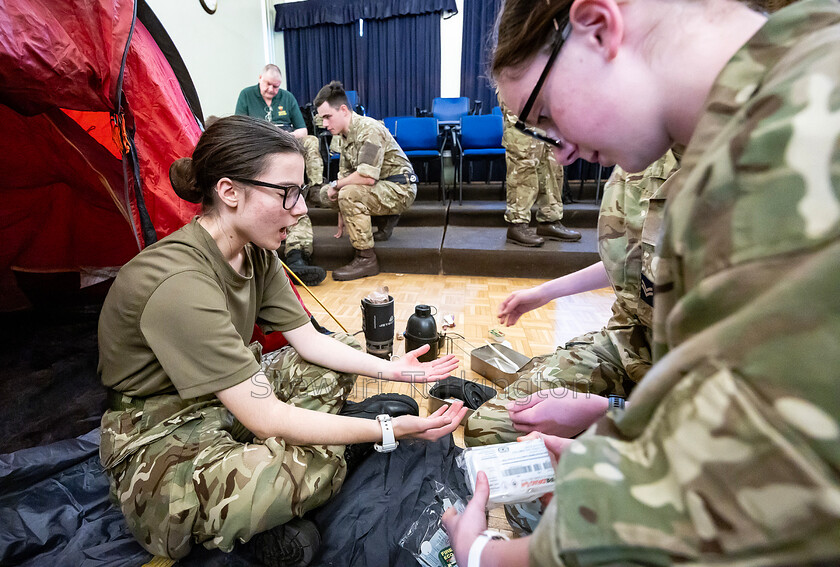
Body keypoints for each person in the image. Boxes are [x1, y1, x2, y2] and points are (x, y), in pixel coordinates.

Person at [443, 0, 840, 565]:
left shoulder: (791, 141)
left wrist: (486, 556)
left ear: (599, 27)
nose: (562, 150)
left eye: (548, 115)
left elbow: (748, 495)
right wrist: (614, 413)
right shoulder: (755, 120)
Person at [98, 115, 467, 565]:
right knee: (289, 473)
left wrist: (393, 368)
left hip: (225, 399)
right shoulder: (178, 284)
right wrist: (386, 430)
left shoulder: (256, 251)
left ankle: (315, 453)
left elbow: (309, 342)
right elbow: (268, 416)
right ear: (230, 191)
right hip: (162, 429)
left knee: (347, 351)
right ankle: (319, 458)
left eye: (301, 192)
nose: (301, 208)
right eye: (286, 192)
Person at [464, 151, 678, 534]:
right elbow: (634, 260)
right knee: (492, 427)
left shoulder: (756, 187)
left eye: (549, 117)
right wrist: (546, 292)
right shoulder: (642, 161)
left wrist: (605, 410)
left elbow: (745, 422)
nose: (561, 153)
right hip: (627, 345)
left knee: (583, 512)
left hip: (694, 404)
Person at [314, 81, 417, 281]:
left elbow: (366, 177)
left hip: (400, 188)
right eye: (322, 119)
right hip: (381, 187)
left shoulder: (369, 129)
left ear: (343, 110)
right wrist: (341, 208)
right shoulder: (342, 136)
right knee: (326, 194)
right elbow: (344, 176)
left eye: (327, 117)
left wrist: (340, 190)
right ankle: (384, 220)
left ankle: (366, 258)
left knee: (344, 192)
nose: (325, 124)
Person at [235, 63, 326, 285]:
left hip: (287, 143)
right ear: (259, 79)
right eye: (268, 85)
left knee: (311, 141)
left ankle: (313, 187)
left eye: (276, 86)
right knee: (283, 205)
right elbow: (240, 130)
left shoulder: (287, 98)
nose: (272, 90)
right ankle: (280, 262)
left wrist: (284, 136)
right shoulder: (246, 96)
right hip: (259, 149)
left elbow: (303, 130)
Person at [501, 100, 581, 247]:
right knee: (524, 161)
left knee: (551, 161)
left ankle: (549, 220)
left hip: (547, 97)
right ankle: (517, 224)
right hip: (521, 92)